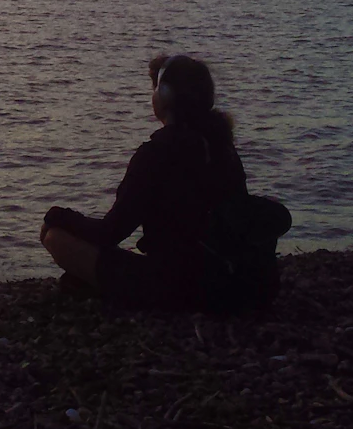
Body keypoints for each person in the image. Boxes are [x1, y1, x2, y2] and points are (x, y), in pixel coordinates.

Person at [39, 54, 251, 311]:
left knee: (54, 236)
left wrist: (60, 217)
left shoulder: (155, 153)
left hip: (177, 288)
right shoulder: (223, 145)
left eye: (155, 88)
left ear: (165, 96)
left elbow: (111, 232)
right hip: (232, 282)